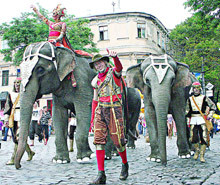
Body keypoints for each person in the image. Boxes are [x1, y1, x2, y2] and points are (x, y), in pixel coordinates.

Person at [89, 49, 129, 184]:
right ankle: (101, 174)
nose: (98, 65)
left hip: (114, 109)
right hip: (101, 110)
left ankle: (124, 164)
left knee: (118, 141)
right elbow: (95, 100)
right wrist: (92, 120)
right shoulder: (95, 81)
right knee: (98, 141)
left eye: (100, 63)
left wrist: (115, 58)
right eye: (96, 64)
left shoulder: (114, 74)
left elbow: (119, 68)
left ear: (106, 63)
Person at [30, 4, 77, 87]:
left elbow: (62, 34)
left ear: (58, 15)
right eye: (53, 14)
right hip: (49, 42)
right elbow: (42, 17)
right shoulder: (51, 23)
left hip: (57, 42)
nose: (53, 16)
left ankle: (72, 75)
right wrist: (36, 10)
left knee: (68, 56)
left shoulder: (63, 24)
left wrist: (56, 40)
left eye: (54, 14)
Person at [4, 77, 35, 165]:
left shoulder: (25, 93)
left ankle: (13, 158)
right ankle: (30, 152)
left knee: (19, 137)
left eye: (19, 83)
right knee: (15, 138)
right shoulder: (10, 94)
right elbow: (8, 107)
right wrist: (6, 119)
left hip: (23, 116)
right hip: (13, 117)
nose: (17, 84)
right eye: (16, 83)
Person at [186, 82, 216, 163]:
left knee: (204, 137)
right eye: (195, 88)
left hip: (202, 119)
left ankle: (202, 155)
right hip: (193, 119)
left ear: (200, 89)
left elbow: (213, 106)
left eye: (198, 88)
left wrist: (210, 114)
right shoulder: (190, 99)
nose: (196, 89)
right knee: (193, 137)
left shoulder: (204, 98)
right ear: (193, 89)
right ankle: (197, 151)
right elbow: (187, 110)